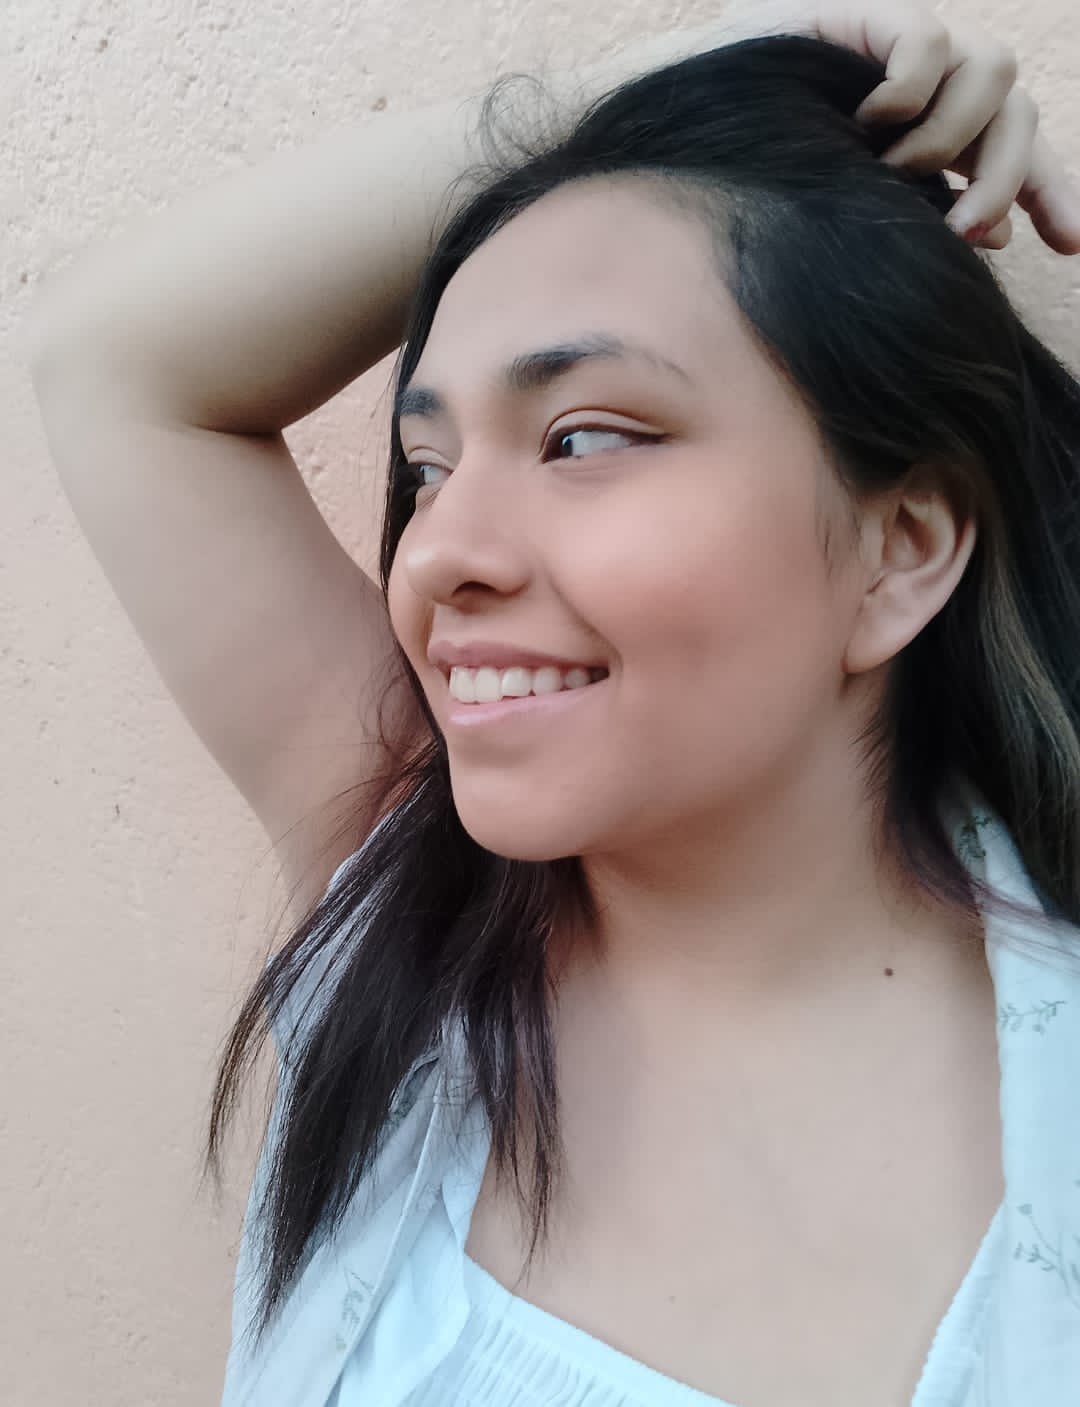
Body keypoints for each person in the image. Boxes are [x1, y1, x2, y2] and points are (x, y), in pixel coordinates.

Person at [26, 2, 1080, 1404]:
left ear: (902, 549)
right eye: (428, 469)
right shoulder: (410, 921)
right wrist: (661, 82)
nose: (438, 556)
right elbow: (106, 359)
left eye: (583, 438)